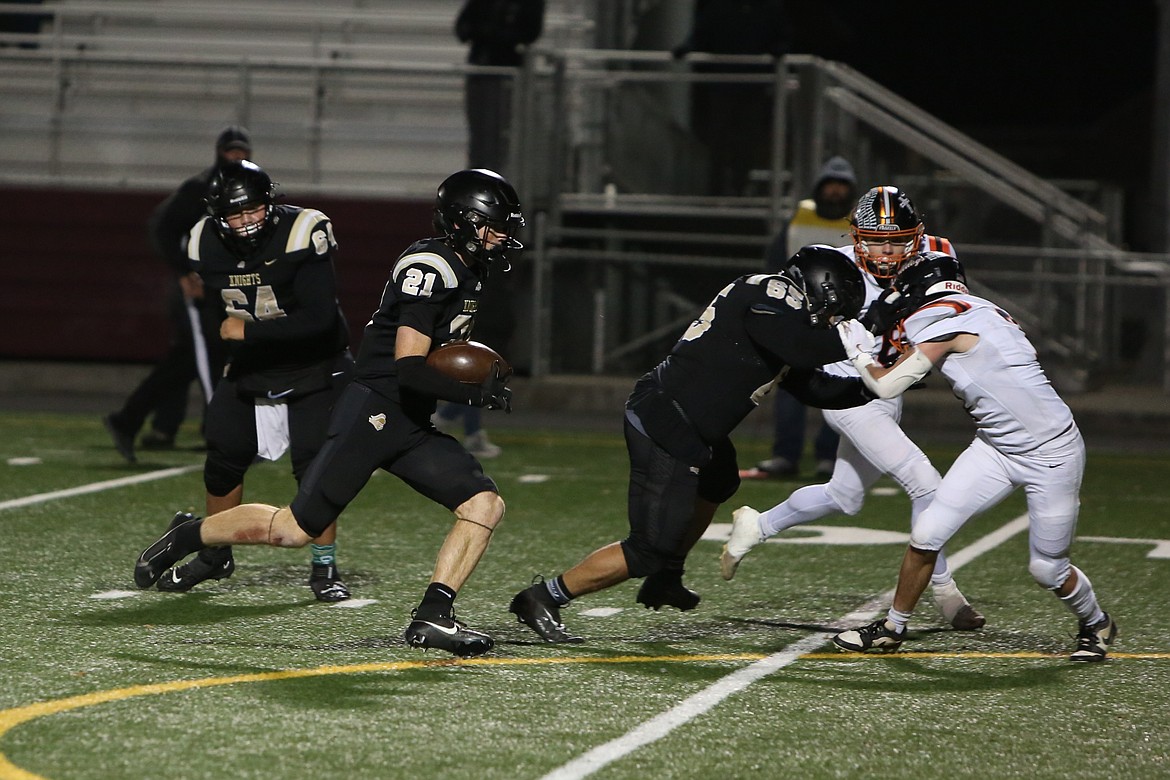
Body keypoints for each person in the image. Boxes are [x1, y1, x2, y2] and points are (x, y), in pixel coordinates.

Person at [135, 168, 522, 658]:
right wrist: (472, 394)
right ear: (465, 222)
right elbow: (406, 367)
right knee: (294, 530)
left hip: (410, 420)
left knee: (483, 505)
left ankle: (432, 617)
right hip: (376, 411)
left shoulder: (471, 265)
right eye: (495, 223)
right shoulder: (431, 266)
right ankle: (190, 533)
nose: (504, 234)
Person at [508, 246, 875, 643]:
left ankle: (667, 576)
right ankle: (543, 597)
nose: (836, 322)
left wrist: (872, 389)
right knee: (647, 548)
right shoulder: (769, 291)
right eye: (836, 312)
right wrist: (862, 340)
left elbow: (813, 386)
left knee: (719, 481)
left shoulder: (784, 318)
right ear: (821, 289)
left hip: (695, 427)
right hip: (667, 422)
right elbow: (802, 349)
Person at [830, 251, 1117, 662]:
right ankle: (892, 628)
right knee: (927, 534)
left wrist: (859, 353)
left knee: (1047, 569)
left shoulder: (942, 318)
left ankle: (1096, 622)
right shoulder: (979, 308)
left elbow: (889, 385)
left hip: (1051, 452)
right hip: (995, 446)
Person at [721, 186, 984, 631]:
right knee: (927, 487)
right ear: (855, 236)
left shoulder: (936, 256)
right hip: (846, 392)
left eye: (897, 240)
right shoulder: (825, 266)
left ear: (916, 236)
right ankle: (945, 595)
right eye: (875, 240)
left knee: (844, 496)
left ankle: (757, 526)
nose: (885, 251)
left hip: (889, 389)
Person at [152, 159, 355, 602]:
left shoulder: (304, 231)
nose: (245, 223)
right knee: (222, 458)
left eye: (254, 211)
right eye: (234, 215)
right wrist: (240, 341)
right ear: (216, 215)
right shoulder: (203, 240)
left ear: (271, 202)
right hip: (252, 365)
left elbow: (320, 320)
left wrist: (249, 330)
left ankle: (324, 566)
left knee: (314, 466)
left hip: (314, 363)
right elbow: (220, 311)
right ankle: (215, 553)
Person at [103, 126, 252, 462]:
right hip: (199, 289)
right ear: (219, 152)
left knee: (193, 359)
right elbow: (164, 227)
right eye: (231, 151)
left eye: (242, 151)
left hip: (220, 288)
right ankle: (221, 433)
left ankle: (129, 420)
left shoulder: (240, 187)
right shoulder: (200, 188)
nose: (237, 158)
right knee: (202, 355)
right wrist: (184, 271)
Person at [750, 155, 858, 479]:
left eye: (842, 186)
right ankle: (786, 456)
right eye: (830, 185)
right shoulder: (800, 216)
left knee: (838, 386)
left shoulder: (857, 222)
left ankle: (828, 456)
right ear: (819, 187)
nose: (835, 192)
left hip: (840, 320)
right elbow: (774, 262)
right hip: (796, 315)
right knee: (790, 386)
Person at [672, 0, 789, 195]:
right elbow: (701, 34)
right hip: (723, 85)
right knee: (718, 141)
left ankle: (740, 188)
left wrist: (778, 51)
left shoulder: (769, 8)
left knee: (747, 143)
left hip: (754, 86)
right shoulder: (719, 7)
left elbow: (781, 38)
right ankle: (715, 191)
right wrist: (685, 48)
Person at [455, 0, 545, 174]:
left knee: (502, 133)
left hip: (507, 74)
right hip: (480, 71)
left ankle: (497, 178)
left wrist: (489, 33)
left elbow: (529, 32)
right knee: (480, 134)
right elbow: (462, 28)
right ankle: (478, 176)